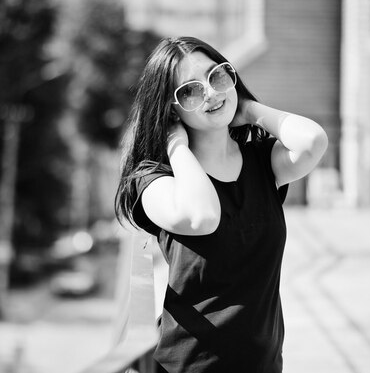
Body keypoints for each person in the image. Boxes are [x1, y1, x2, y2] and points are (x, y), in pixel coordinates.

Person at [115, 36, 328, 372]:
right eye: (190, 90)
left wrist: (249, 108)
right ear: (172, 110)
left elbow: (313, 141)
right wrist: (176, 147)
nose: (211, 93)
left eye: (217, 76)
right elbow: (202, 216)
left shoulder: (262, 163)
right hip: (186, 367)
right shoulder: (154, 180)